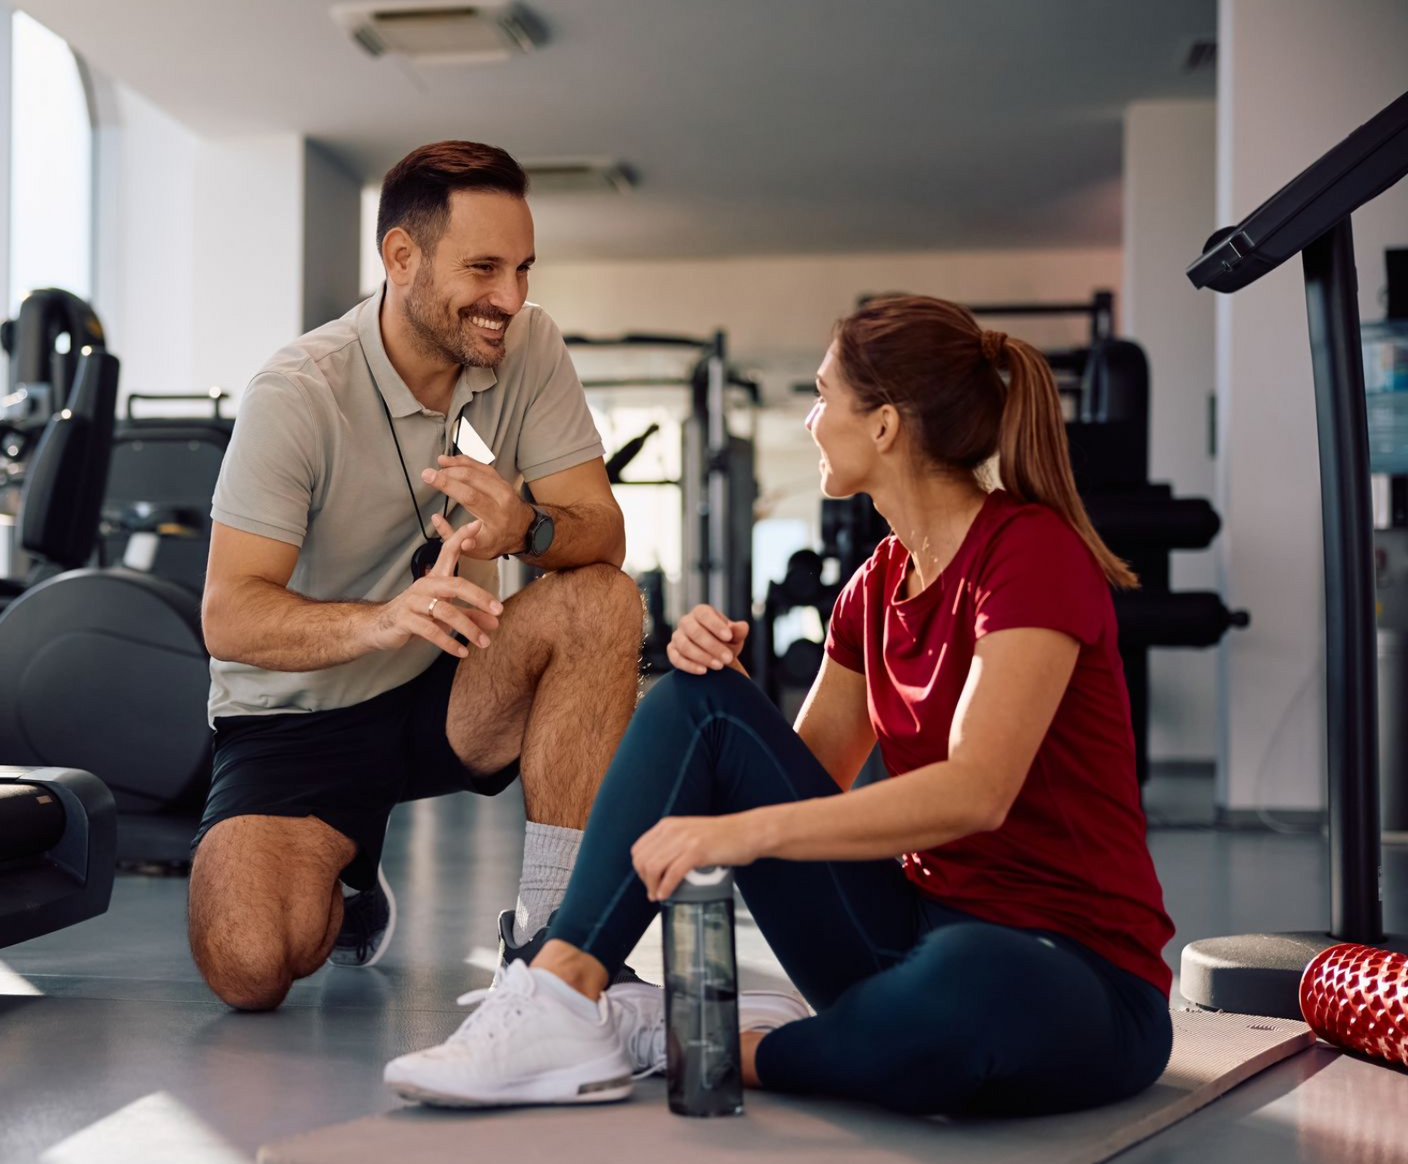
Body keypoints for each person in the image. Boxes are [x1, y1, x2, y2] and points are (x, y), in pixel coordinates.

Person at [384, 295, 1176, 1116]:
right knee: (705, 704)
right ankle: (561, 996)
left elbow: (977, 791)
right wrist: (711, 673)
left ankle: (696, 1041)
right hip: (902, 933)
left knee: (965, 985)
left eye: (823, 395)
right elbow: (806, 778)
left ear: (884, 426)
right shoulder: (874, 586)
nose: (809, 420)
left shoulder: (1028, 551)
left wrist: (739, 830)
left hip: (1076, 974)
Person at [191, 140, 644, 1012]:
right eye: (483, 268)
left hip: (454, 688)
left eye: (521, 269)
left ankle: (556, 939)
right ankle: (346, 867)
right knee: (249, 966)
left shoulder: (530, 346)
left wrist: (528, 526)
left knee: (599, 600)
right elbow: (230, 617)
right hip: (299, 715)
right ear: (401, 257)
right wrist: (383, 620)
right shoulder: (297, 392)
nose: (509, 298)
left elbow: (604, 536)